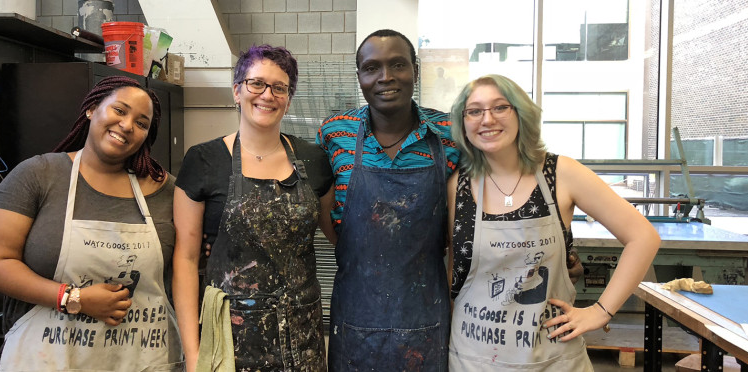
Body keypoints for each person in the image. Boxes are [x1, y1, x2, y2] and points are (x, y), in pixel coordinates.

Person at [446, 74, 660, 370]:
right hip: (474, 358)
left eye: (500, 107)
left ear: (521, 113)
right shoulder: (457, 185)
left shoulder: (560, 173)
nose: (487, 119)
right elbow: (449, 270)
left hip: (554, 359)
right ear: (463, 122)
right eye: (474, 111)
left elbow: (644, 237)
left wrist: (601, 311)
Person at [0, 76, 183, 371]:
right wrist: (74, 298)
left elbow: (192, 258)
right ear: (92, 109)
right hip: (46, 360)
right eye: (119, 111)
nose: (127, 126)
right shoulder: (39, 175)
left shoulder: (167, 192)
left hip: (140, 360)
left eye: (142, 123)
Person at [173, 44, 335, 371]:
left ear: (288, 101)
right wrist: (193, 355)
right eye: (256, 83)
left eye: (279, 88)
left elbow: (339, 238)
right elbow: (186, 260)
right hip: (228, 338)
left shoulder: (314, 160)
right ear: (237, 91)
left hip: (301, 339)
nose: (267, 95)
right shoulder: (203, 160)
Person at [315, 29, 460, 371]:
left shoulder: (450, 135)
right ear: (360, 77)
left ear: (416, 70)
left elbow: (473, 214)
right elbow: (320, 205)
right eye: (371, 68)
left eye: (398, 65)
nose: (386, 77)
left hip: (426, 313)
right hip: (355, 317)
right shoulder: (335, 133)